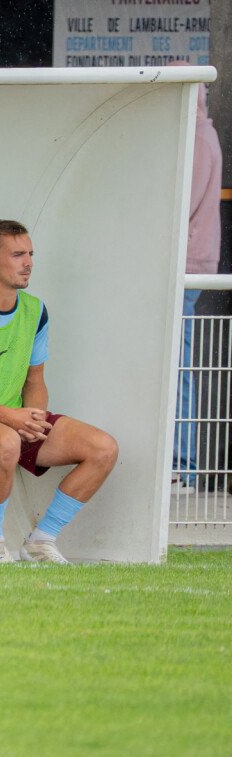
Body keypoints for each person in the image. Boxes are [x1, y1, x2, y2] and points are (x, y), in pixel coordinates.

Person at [0, 219, 118, 564]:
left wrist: (35, 418)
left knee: (103, 448)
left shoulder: (36, 310)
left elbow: (35, 381)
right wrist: (9, 417)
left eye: (30, 253)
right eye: (17, 254)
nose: (28, 262)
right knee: (6, 440)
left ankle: (40, 542)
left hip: (10, 418)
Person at [173, 71, 223, 493]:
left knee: (176, 366)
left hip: (184, 264)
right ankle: (179, 463)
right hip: (193, 261)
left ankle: (181, 463)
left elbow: (176, 205)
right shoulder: (203, 134)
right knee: (177, 364)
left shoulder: (193, 139)